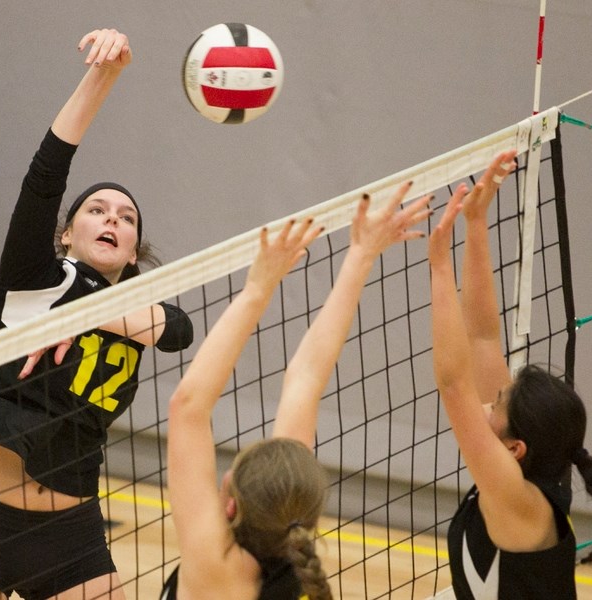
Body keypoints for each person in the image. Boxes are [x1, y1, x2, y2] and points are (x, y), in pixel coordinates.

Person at [0, 29, 193, 600]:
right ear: (67, 234)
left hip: (67, 538)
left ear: (133, 250)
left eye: (127, 218)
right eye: (96, 209)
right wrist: (106, 74)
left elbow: (180, 330)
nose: (112, 218)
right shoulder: (34, 280)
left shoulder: (141, 310)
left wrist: (89, 315)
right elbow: (45, 175)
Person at [161, 183, 432, 600]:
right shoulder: (287, 539)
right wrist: (359, 256)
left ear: (231, 508)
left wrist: (257, 288)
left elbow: (188, 407)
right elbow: (304, 378)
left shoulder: (216, 570)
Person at [428, 152, 592, 599]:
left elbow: (454, 383)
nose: (485, 401)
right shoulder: (535, 467)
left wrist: (439, 267)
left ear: (515, 449)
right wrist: (475, 224)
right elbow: (481, 338)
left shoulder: (515, 500)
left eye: (495, 405)